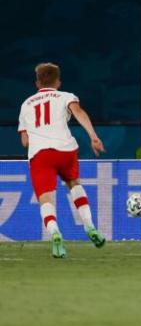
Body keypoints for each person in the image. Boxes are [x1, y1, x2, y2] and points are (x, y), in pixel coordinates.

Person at [18, 63, 106, 258]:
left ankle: (55, 233)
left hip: (40, 154)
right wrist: (93, 136)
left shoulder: (26, 104)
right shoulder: (66, 96)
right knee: (74, 184)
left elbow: (25, 141)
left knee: (46, 199)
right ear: (58, 82)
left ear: (37, 83)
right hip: (65, 150)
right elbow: (79, 113)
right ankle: (90, 226)